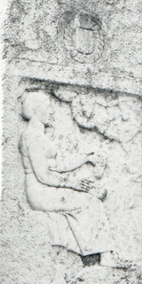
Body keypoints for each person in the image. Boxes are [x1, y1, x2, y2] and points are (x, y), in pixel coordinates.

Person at [19, 90, 113, 258]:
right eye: (47, 107)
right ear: (35, 110)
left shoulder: (40, 137)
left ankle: (101, 254)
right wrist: (72, 183)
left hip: (48, 188)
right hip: (40, 191)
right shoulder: (31, 137)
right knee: (89, 202)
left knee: (91, 199)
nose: (51, 111)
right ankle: (102, 256)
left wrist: (85, 158)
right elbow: (43, 175)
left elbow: (60, 165)